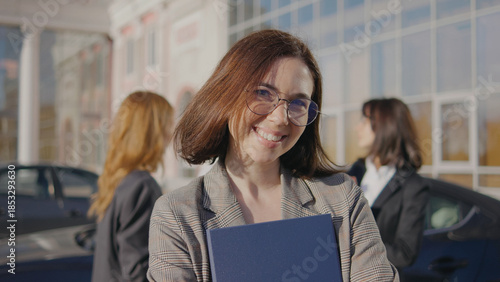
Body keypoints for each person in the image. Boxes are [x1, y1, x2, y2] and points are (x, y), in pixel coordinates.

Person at [147, 29, 398, 281]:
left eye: (298, 103)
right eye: (263, 93)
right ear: (226, 95)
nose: (280, 118)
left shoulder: (342, 200)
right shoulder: (178, 215)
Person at [88, 91, 174, 282]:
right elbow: (137, 270)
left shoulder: (116, 180)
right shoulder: (142, 187)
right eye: (167, 125)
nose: (170, 134)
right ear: (152, 131)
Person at [347, 98, 429, 271]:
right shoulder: (355, 172)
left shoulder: (412, 186)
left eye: (365, 120)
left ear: (385, 126)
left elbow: (404, 254)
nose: (357, 127)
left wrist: (354, 241)